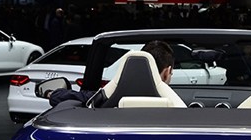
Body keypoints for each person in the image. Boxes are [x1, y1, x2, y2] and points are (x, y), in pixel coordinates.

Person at [47, 40, 175, 107]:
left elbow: (60, 97)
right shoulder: (177, 107)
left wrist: (50, 93)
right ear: (167, 72)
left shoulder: (101, 99)